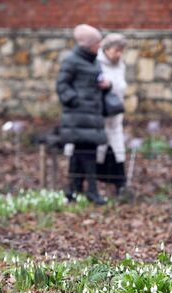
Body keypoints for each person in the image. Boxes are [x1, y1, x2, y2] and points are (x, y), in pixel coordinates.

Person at [56, 24, 111, 205]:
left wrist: (106, 86)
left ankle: (72, 190)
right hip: (79, 117)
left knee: (81, 154)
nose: (100, 45)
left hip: (92, 116)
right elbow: (62, 86)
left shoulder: (94, 61)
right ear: (88, 44)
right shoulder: (71, 61)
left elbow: (96, 83)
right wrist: (77, 101)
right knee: (86, 153)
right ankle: (91, 191)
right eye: (97, 42)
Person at [96, 33, 129, 197]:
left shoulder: (121, 66)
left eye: (122, 51)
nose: (119, 54)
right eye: (117, 50)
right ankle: (94, 188)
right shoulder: (96, 64)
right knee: (98, 153)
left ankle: (120, 187)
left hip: (116, 118)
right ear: (107, 49)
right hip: (101, 117)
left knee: (117, 152)